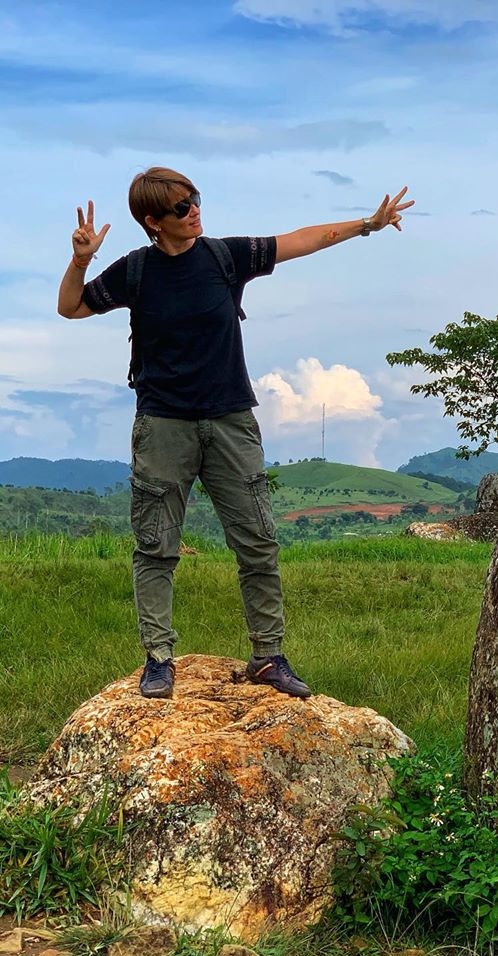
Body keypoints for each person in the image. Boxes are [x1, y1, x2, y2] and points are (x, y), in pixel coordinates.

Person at [56, 167, 415, 700]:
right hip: (162, 426)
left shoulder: (225, 257)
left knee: (258, 543)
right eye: (181, 207)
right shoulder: (134, 272)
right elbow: (70, 307)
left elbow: (300, 240)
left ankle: (268, 657)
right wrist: (81, 259)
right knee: (156, 547)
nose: (194, 210)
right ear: (153, 222)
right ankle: (158, 659)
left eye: (195, 199)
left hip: (231, 421)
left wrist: (369, 223)